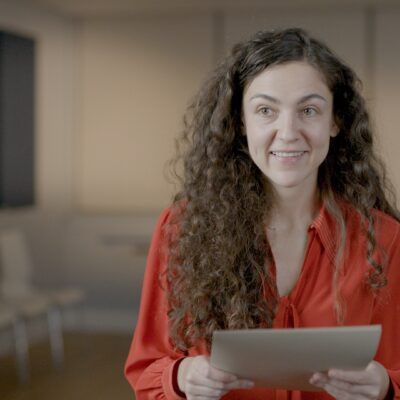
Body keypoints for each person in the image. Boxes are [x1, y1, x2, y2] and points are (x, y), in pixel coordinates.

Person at [124, 27, 400, 400]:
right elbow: (147, 371)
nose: (287, 132)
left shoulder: (384, 239)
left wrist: (385, 386)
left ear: (335, 121)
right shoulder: (182, 228)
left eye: (309, 110)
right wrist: (181, 376)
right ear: (240, 122)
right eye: (266, 110)